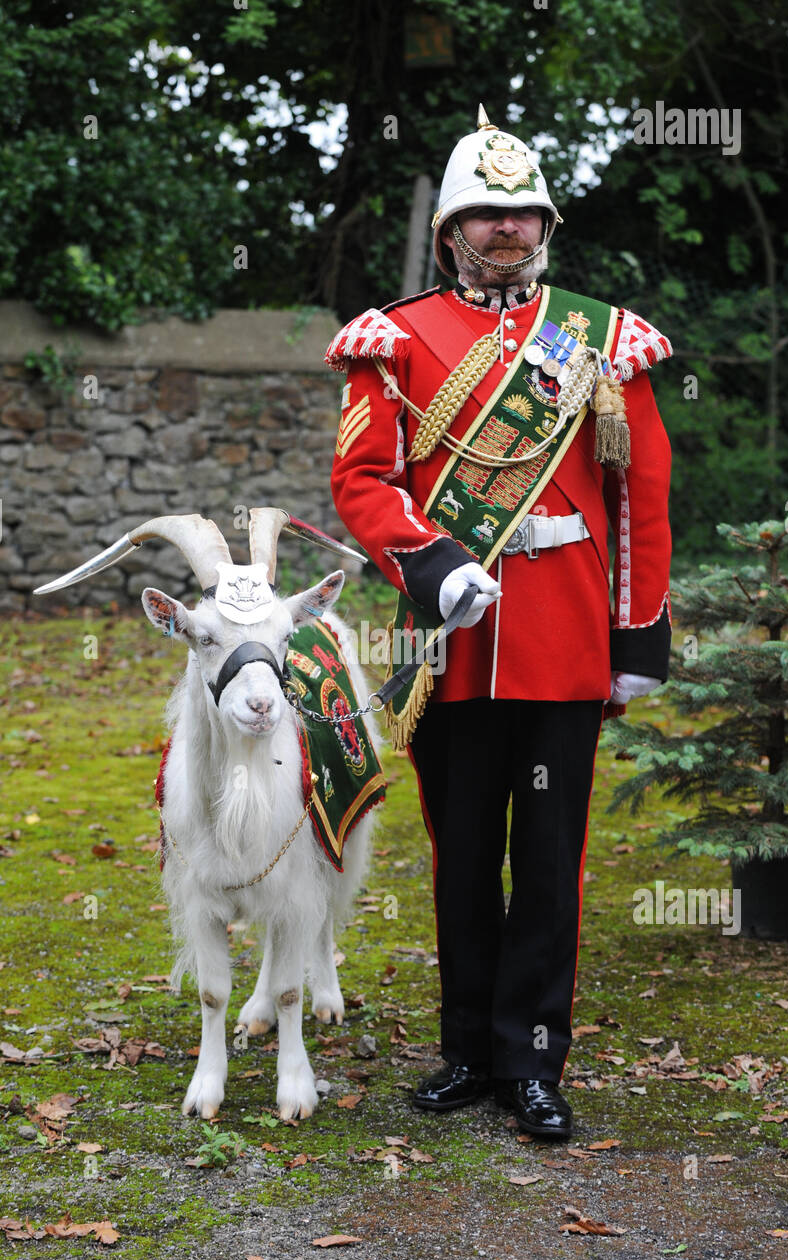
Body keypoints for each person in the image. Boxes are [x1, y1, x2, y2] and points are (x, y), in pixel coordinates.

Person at [325, 106, 672, 1139]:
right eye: (486, 214)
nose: (506, 230)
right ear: (450, 230)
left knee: (551, 853)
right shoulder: (396, 339)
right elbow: (362, 479)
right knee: (462, 849)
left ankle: (532, 1058)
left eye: (523, 213)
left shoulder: (600, 337)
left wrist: (636, 635)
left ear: (547, 224)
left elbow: (638, 499)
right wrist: (433, 566)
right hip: (452, 645)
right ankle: (469, 1048)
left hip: (565, 638)